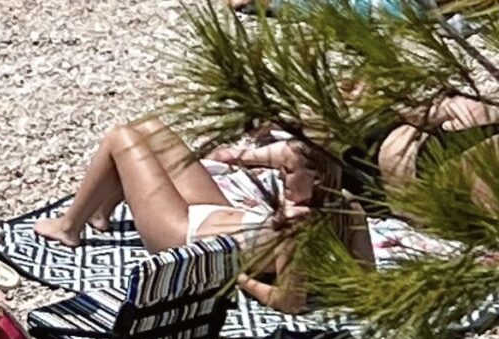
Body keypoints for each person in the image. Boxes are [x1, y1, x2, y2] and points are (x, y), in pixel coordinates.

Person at [30, 118, 370, 313]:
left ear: (319, 178)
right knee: (151, 129)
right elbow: (367, 278)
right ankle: (101, 212)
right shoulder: (349, 208)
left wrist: (240, 280)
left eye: (286, 172)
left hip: (181, 237)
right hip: (222, 214)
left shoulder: (298, 226)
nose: (279, 179)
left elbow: (288, 301)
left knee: (122, 138)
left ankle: (68, 227)